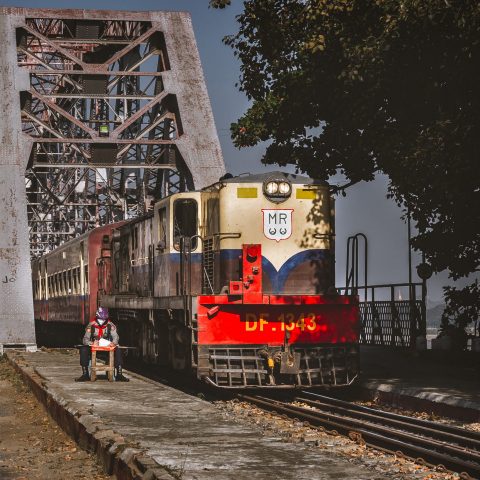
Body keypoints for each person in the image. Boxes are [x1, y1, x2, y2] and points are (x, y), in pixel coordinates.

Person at [75, 306, 129, 382]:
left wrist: (113, 343)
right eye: (100, 319)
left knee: (118, 350)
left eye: (104, 319)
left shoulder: (111, 325)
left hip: (107, 348)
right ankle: (85, 374)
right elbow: (85, 339)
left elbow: (116, 337)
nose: (102, 321)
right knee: (83, 349)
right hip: (94, 348)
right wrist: (92, 343)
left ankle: (119, 374)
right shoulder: (91, 325)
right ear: (97, 317)